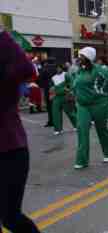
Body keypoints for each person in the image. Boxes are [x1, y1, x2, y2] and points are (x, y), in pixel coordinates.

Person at [0, 28, 42, 233]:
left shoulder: (6, 80)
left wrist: (0, 34)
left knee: (10, 217)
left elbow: (26, 69)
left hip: (8, 153)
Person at [72, 47, 108, 169]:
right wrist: (75, 94)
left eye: (81, 56)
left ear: (88, 58)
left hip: (98, 105)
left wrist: (103, 93)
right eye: (79, 56)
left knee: (102, 129)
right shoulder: (78, 71)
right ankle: (82, 160)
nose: (79, 58)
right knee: (82, 130)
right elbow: (75, 84)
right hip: (82, 106)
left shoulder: (99, 70)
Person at [51, 64, 77, 135]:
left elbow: (72, 83)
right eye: (57, 68)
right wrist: (52, 93)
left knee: (70, 112)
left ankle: (77, 125)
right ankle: (58, 129)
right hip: (57, 96)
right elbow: (52, 87)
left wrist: (69, 90)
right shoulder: (53, 77)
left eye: (59, 68)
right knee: (55, 113)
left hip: (65, 96)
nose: (58, 69)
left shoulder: (66, 75)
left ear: (62, 68)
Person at [39, 57, 57, 127]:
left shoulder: (44, 69)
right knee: (57, 106)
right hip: (57, 89)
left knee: (50, 107)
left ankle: (51, 121)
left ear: (47, 62)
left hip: (48, 89)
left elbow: (41, 80)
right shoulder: (57, 68)